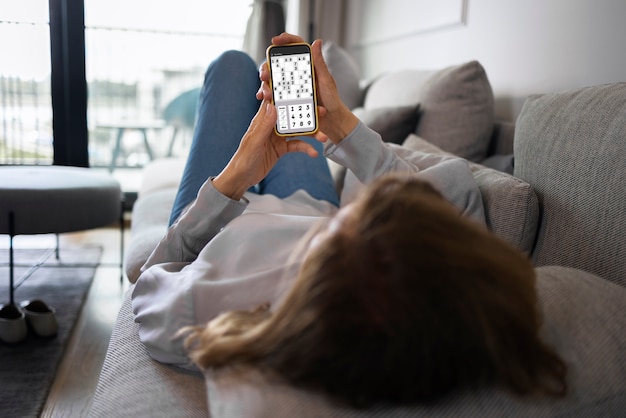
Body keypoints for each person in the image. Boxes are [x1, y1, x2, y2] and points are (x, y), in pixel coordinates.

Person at [132, 33, 566, 407]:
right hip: (309, 200)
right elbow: (423, 204)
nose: (358, 203)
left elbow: (149, 278)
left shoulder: (208, 310)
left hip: (217, 221)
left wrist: (236, 177)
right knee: (273, 91)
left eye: (354, 218)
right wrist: (338, 121)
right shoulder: (444, 277)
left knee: (232, 66)